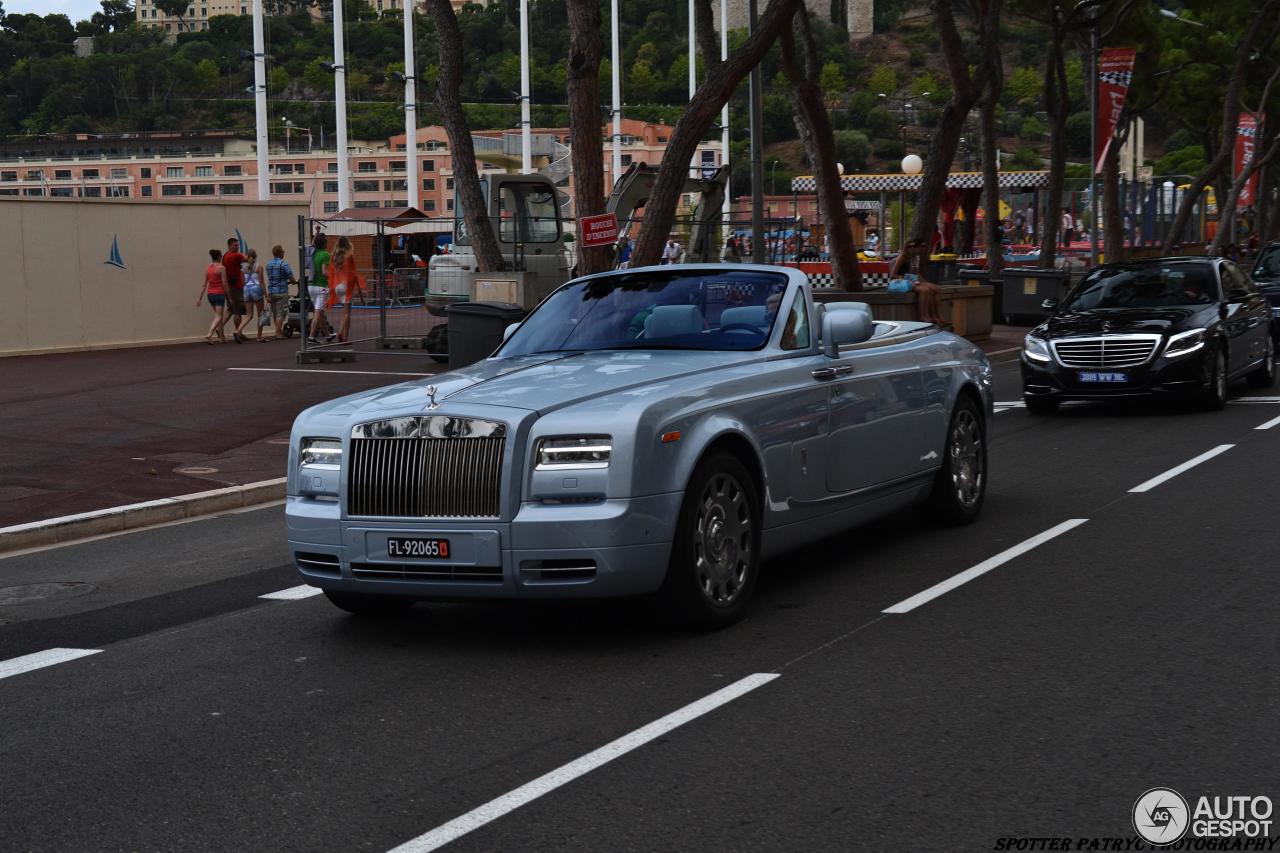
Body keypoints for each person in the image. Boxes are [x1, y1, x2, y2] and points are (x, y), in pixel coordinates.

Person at [888, 238, 946, 325]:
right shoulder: (902, 257)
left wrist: (926, 283)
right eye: (920, 248)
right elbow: (893, 275)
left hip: (909, 280)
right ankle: (923, 316)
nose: (921, 250)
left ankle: (936, 315)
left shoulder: (913, 257)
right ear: (912, 248)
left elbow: (916, 273)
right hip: (899, 282)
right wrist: (910, 281)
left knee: (936, 288)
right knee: (925, 290)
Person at [327, 235, 365, 343]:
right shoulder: (349, 255)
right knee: (347, 313)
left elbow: (331, 272)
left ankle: (341, 333)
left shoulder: (334, 255)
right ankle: (344, 336)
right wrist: (360, 290)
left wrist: (331, 289)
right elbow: (354, 273)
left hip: (337, 285)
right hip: (347, 285)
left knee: (344, 312)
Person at [265, 245, 296, 341]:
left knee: (275, 313)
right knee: (281, 313)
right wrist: (293, 282)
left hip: (271, 292)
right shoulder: (284, 264)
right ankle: (278, 332)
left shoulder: (268, 264)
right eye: (283, 251)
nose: (284, 253)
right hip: (282, 291)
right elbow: (291, 277)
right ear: (280, 253)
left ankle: (278, 330)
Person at [197, 249, 229, 344]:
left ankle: (222, 337)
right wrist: (228, 296)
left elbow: (204, 285)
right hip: (219, 294)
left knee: (218, 316)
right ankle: (209, 334)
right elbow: (224, 283)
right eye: (221, 256)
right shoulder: (221, 268)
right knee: (219, 316)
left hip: (210, 295)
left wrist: (200, 298)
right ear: (219, 257)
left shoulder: (208, 268)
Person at [237, 248, 268, 342]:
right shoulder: (259, 267)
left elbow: (242, 281)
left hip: (246, 289)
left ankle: (238, 330)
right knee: (261, 315)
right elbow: (262, 282)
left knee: (249, 315)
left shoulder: (243, 267)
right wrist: (266, 295)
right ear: (255, 256)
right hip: (256, 289)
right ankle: (259, 336)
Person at [222, 237, 248, 343]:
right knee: (238, 311)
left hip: (229, 286)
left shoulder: (225, 256)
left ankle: (219, 328)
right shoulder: (236, 255)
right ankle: (238, 332)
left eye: (238, 245)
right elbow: (248, 258)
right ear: (229, 246)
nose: (237, 247)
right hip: (236, 287)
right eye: (235, 245)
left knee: (231, 309)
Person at [308, 232, 330, 343]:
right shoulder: (325, 254)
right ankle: (311, 336)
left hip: (311, 285)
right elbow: (324, 272)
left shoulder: (313, 253)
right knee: (318, 311)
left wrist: (316, 233)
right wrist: (333, 277)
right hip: (321, 286)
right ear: (324, 243)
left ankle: (327, 335)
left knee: (320, 312)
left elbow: (313, 243)